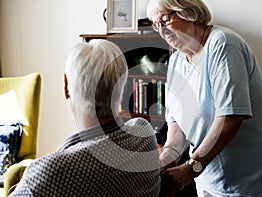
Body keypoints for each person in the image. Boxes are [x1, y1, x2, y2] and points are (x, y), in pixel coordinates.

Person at [146, 0, 262, 197]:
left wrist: (190, 168)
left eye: (165, 20)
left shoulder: (223, 44)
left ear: (188, 12)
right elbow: (177, 122)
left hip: (248, 173)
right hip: (207, 172)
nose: (161, 31)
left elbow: (230, 117)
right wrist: (169, 155)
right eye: (155, 24)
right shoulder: (176, 60)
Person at [9, 39, 161, 196]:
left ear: (66, 86)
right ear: (123, 89)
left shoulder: (48, 174)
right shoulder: (145, 133)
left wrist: (29, 186)